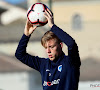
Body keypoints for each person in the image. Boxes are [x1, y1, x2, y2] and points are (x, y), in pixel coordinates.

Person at [15, 8, 81, 90]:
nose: (48, 51)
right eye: (46, 47)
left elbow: (71, 44)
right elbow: (19, 55)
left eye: (51, 47)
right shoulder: (43, 64)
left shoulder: (70, 62)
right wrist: (26, 35)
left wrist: (52, 26)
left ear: (60, 45)